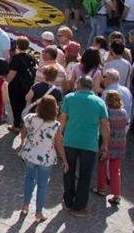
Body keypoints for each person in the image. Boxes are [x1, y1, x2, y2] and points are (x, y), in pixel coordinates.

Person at [57, 75, 110, 217]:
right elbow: (105, 125)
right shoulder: (99, 102)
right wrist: (105, 145)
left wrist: (58, 136)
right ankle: (79, 207)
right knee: (85, 176)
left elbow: (62, 119)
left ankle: (68, 202)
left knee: (68, 171)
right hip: (89, 144)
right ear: (91, 86)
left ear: (79, 84)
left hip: (70, 141)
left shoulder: (69, 98)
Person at [17, 95, 61, 223]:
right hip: (46, 158)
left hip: (30, 155)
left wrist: (23, 142)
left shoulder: (30, 118)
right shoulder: (56, 125)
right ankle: (39, 213)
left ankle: (25, 205)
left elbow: (23, 132)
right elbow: (58, 144)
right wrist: (64, 158)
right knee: (42, 185)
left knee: (29, 179)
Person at [94, 90, 127, 207]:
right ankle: (117, 195)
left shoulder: (107, 112)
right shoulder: (123, 112)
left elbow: (102, 128)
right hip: (120, 144)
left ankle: (101, 188)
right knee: (115, 170)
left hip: (108, 143)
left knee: (102, 165)